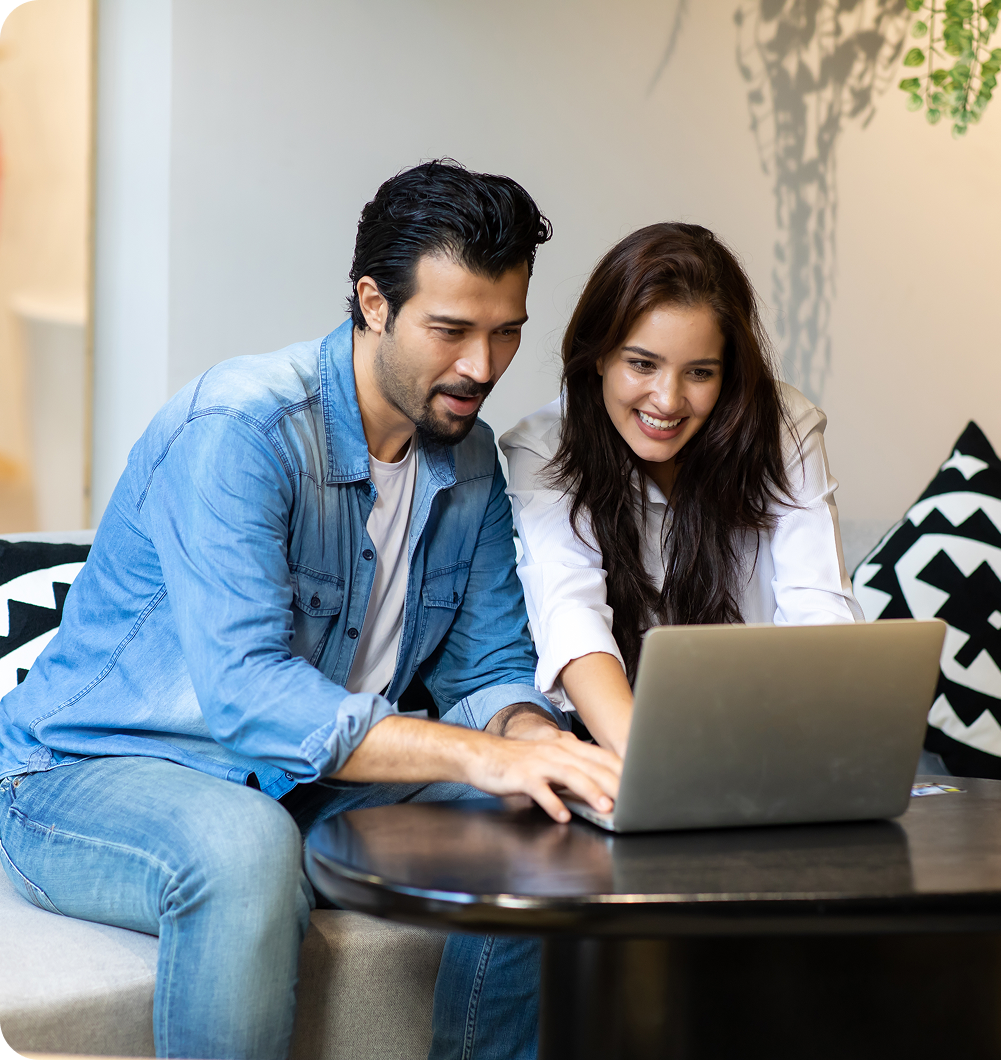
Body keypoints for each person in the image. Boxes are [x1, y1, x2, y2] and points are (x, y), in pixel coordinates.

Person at [0, 161, 620, 1060]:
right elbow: (251, 698)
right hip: (88, 772)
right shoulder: (241, 430)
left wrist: (532, 740)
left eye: (505, 333)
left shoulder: (473, 460)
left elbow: (485, 669)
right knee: (245, 848)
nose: (481, 366)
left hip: (306, 782)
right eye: (450, 330)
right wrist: (480, 753)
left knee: (544, 821)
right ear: (373, 302)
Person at [499, 222, 864, 757]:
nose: (667, 401)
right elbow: (571, 617)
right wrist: (655, 769)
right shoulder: (545, 447)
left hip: (767, 744)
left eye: (699, 372)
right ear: (599, 354)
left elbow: (820, 608)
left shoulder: (783, 427)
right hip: (620, 749)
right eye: (642, 364)